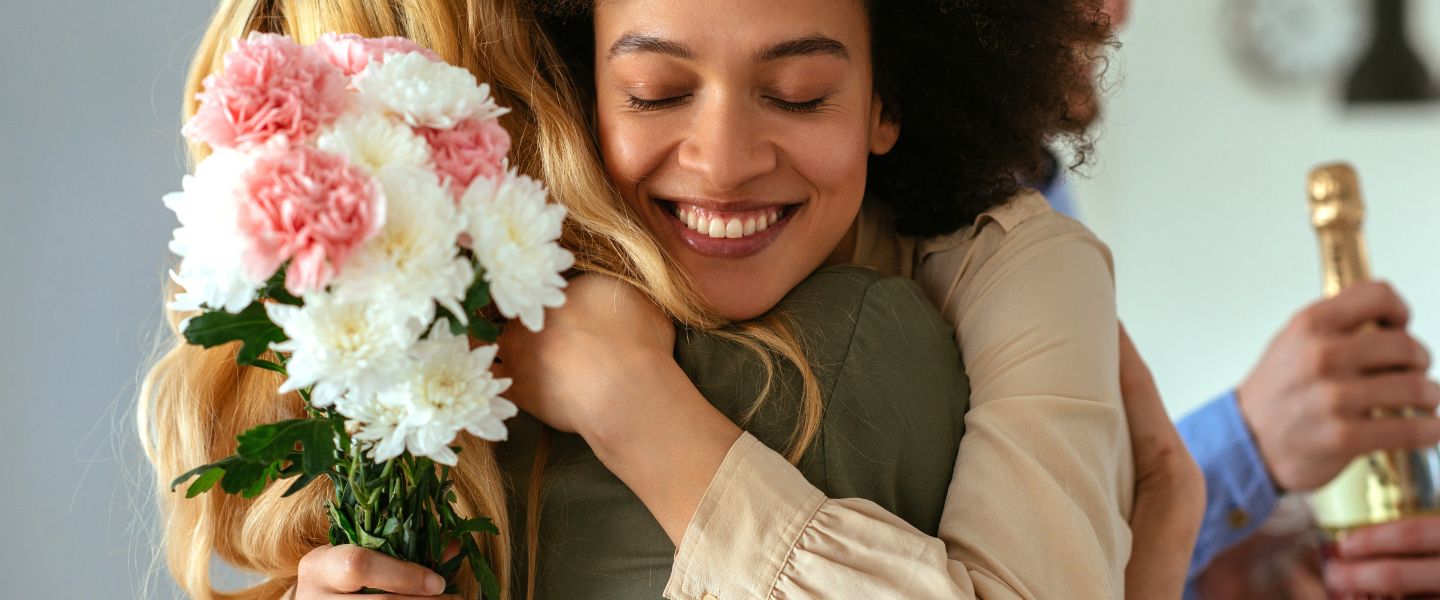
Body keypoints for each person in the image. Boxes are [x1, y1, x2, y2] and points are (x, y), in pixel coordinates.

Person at [142, 1, 1203, 599]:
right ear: (587, 89)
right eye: (655, 94)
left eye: (799, 94)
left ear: (890, 98)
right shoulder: (492, 326)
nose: (726, 159)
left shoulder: (1017, 268)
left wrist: (634, 407)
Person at [1053, 1, 1440, 597]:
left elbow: (1081, 520)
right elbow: (1034, 566)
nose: (1119, 13)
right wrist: (1249, 446)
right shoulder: (926, 233)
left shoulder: (1042, 195)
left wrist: (1228, 568)